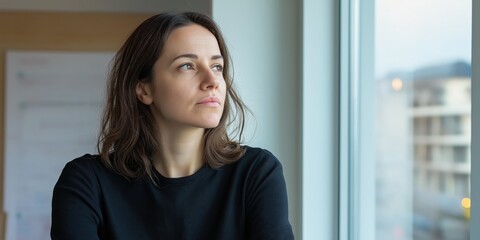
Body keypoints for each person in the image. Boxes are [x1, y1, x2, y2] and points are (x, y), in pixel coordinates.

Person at [51, 11, 294, 240]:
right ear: (144, 89)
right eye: (187, 66)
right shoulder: (87, 183)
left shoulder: (256, 173)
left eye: (217, 66)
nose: (212, 81)